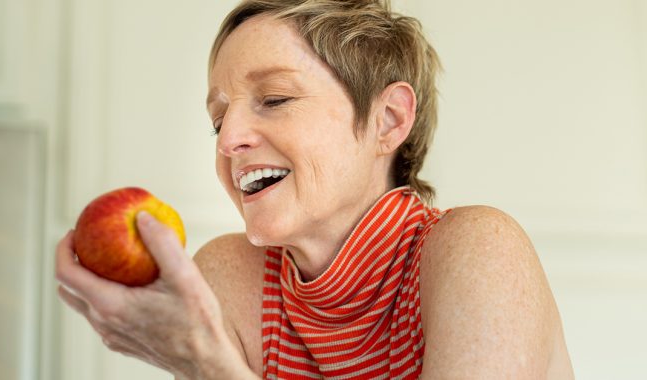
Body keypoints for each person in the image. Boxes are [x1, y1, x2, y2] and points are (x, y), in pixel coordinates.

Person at [55, 0, 574, 378]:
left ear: (388, 121)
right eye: (218, 120)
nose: (229, 140)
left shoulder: (480, 250)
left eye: (274, 99)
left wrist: (209, 366)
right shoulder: (233, 280)